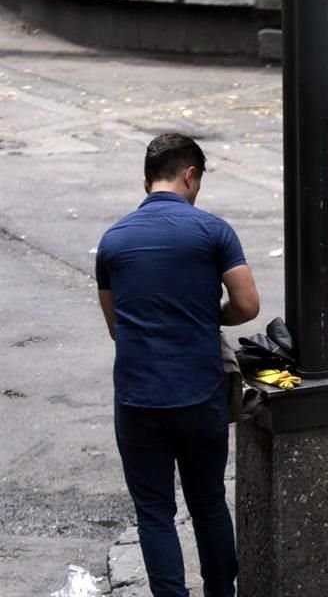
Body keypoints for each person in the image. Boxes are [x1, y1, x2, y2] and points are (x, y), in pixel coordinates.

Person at [96, 133, 260, 596]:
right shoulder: (213, 231)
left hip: (137, 396)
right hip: (199, 391)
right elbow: (247, 305)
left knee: (154, 513)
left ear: (147, 179)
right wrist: (209, 315)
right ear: (190, 175)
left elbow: (116, 325)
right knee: (208, 500)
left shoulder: (112, 242)